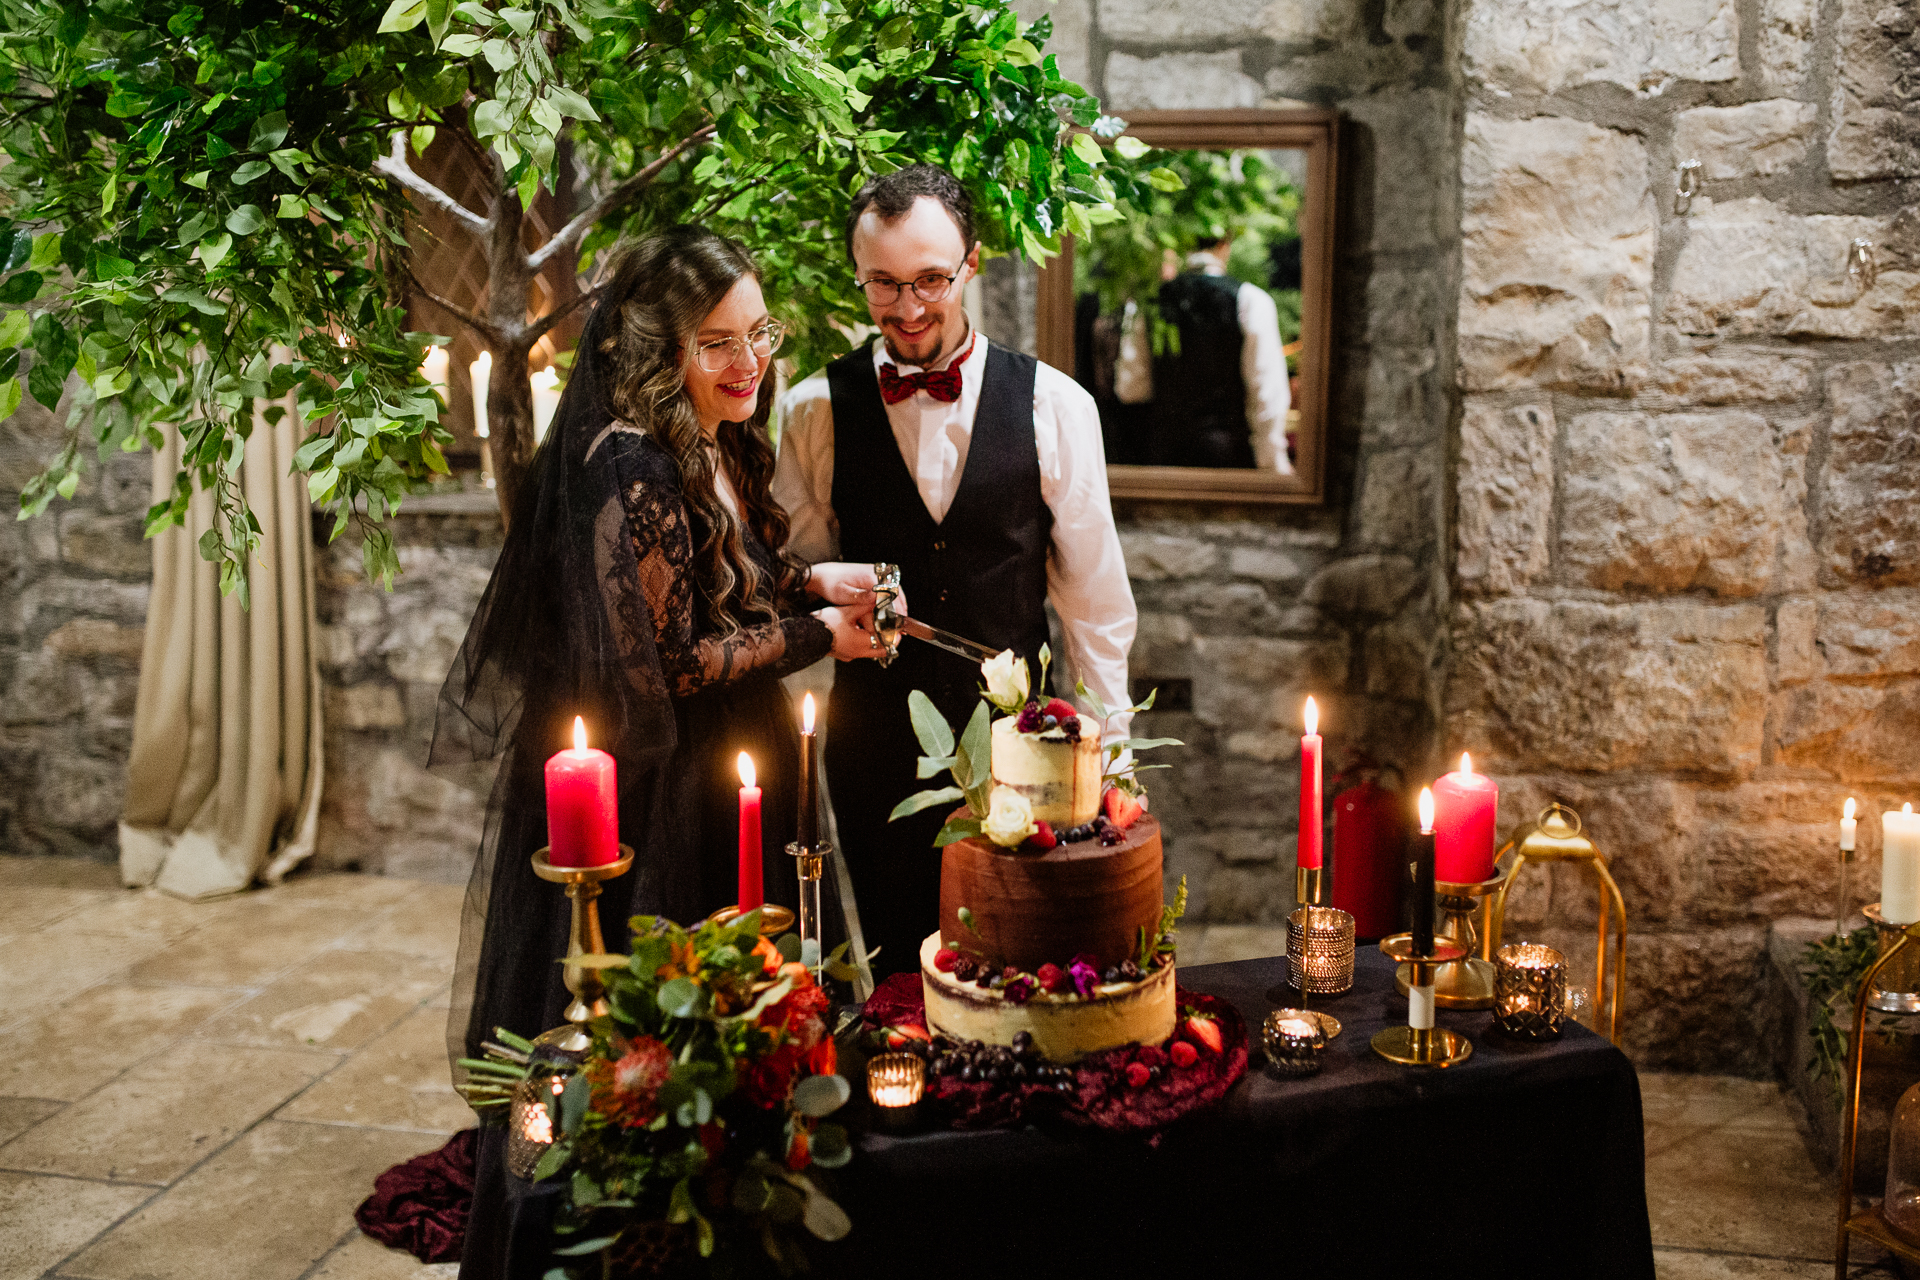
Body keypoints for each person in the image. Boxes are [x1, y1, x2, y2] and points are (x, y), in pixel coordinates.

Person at [430, 227, 884, 1277]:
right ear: (655, 349)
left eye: (757, 333)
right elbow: (670, 663)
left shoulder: (708, 432)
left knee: (744, 1017)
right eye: (715, 341)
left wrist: (820, 583)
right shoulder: (629, 461)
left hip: (733, 748)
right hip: (666, 781)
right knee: (661, 1032)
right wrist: (823, 638)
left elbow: (733, 571)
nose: (748, 361)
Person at [774, 165, 1138, 979]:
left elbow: (1093, 601)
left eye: (931, 279)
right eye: (884, 284)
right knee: (900, 974)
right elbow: (793, 575)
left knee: (1024, 969)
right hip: (874, 751)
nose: (908, 309)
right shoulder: (811, 410)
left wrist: (1113, 752)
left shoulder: (1056, 405)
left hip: (1027, 751)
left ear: (972, 261)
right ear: (858, 276)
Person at [1148, 236, 1292, 473]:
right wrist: (1272, 464)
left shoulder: (1152, 302)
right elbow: (1267, 393)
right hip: (1229, 458)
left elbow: (1132, 388)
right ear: (1225, 244)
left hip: (1164, 457)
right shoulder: (1251, 300)